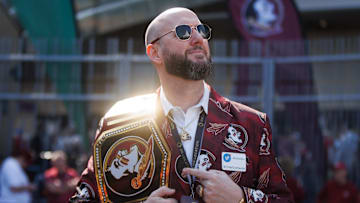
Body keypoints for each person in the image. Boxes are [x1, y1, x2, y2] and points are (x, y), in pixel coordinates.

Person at [70, 7, 293, 203]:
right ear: (154, 52)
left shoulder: (251, 123)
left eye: (202, 30)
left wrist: (241, 198)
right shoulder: (119, 121)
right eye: (183, 32)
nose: (198, 38)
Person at [0, 134, 36, 203]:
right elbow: (13, 187)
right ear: (22, 158)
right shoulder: (10, 164)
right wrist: (29, 187)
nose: (26, 165)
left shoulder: (16, 166)